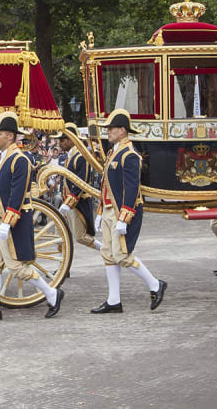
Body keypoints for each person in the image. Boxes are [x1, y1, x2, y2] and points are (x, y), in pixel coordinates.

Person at [0, 112, 63, 322]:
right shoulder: (4, 157)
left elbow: (18, 192)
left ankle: (52, 293)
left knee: (16, 266)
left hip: (10, 220)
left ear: (10, 136)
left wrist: (8, 221)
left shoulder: (20, 159)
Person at [91, 109, 166, 314]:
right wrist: (100, 211)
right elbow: (106, 185)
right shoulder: (113, 152)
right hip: (108, 210)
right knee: (108, 254)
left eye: (111, 128)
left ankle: (155, 285)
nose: (108, 131)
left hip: (122, 212)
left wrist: (124, 217)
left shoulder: (130, 154)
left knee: (122, 255)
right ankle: (113, 300)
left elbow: (132, 189)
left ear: (122, 130)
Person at [52, 123, 102, 252]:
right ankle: (63, 266)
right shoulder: (70, 155)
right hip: (67, 202)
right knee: (60, 235)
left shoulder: (81, 156)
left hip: (77, 203)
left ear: (71, 140)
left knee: (80, 236)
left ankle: (105, 250)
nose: (60, 143)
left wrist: (69, 202)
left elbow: (81, 182)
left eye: (62, 140)